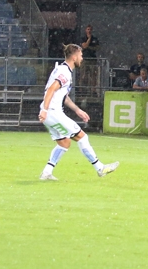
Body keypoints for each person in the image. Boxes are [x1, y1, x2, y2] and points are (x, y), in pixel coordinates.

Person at [37, 44, 119, 181]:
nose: (82, 58)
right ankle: (100, 168)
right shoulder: (64, 72)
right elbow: (51, 90)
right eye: (81, 55)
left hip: (49, 113)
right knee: (82, 137)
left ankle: (46, 172)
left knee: (64, 143)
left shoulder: (64, 70)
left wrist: (77, 110)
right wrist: (45, 110)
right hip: (52, 112)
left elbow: (63, 96)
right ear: (74, 57)